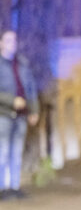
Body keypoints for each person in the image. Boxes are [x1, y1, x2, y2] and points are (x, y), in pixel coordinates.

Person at [0, 30, 39, 199]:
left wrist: (34, 110)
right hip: (3, 114)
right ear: (1, 43)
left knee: (16, 151)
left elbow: (30, 88)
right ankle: (2, 187)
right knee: (3, 151)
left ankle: (15, 186)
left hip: (21, 115)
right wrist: (11, 101)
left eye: (14, 40)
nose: (12, 44)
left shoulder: (22, 63)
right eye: (8, 40)